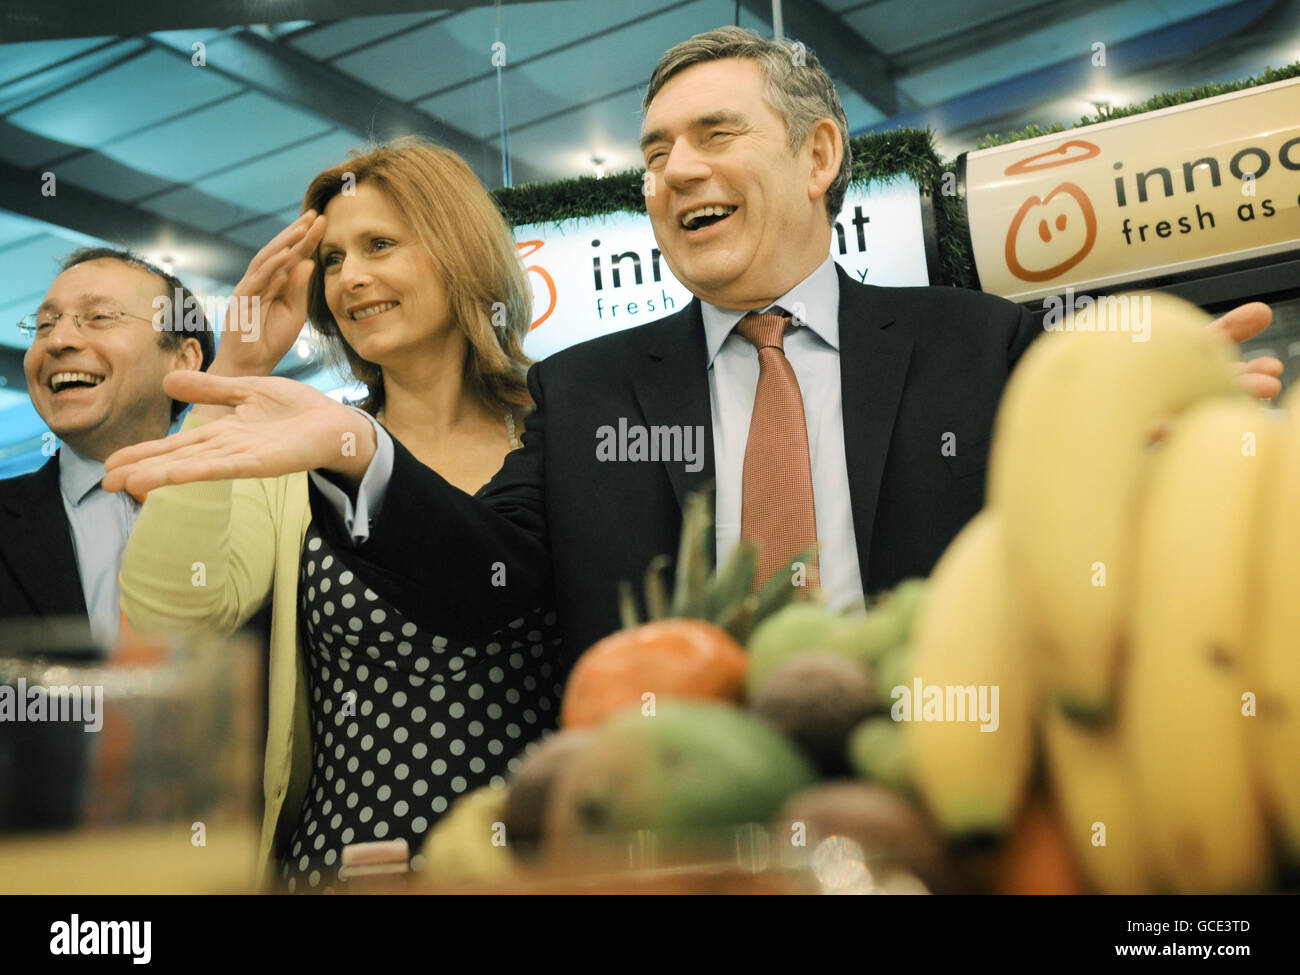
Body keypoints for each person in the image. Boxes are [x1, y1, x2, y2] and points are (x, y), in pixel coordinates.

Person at [103, 30, 1283, 672]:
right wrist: (359, 446)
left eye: (716, 134)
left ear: (819, 157)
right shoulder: (587, 391)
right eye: (657, 151)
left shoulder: (982, 346)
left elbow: (1088, 535)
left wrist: (1167, 448)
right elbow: (486, 588)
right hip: (675, 823)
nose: (675, 171)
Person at [114, 140, 563, 891]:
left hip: (561, 860)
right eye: (331, 260)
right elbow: (168, 623)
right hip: (348, 867)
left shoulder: (562, 429)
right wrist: (237, 370)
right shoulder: (297, 453)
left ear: (460, 250)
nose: (351, 277)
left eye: (379, 245)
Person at [0, 247, 212, 832]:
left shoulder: (262, 512)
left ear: (185, 357)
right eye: (44, 323)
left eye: (98, 317)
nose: (58, 341)